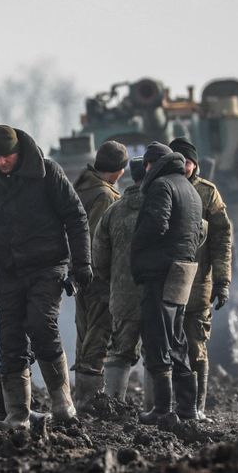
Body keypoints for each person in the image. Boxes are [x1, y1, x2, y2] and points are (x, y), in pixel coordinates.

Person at [0, 125, 92, 429]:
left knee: (42, 324)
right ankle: (18, 414)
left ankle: (62, 402)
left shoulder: (48, 174)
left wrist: (81, 265)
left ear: (20, 152)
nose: (2, 162)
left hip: (47, 265)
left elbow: (76, 216)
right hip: (6, 271)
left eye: (8, 156)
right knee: (11, 339)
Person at [131, 142, 203, 424]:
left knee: (157, 339)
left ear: (152, 164)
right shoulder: (190, 189)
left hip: (160, 272)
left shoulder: (162, 186)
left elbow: (156, 225)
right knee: (177, 339)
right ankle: (187, 409)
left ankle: (161, 409)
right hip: (182, 271)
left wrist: (136, 246)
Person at [168, 137, 233, 422]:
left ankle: (197, 407)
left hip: (198, 285)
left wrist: (223, 281)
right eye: (178, 161)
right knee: (167, 348)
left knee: (196, 347)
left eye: (188, 162)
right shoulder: (160, 189)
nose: (184, 167)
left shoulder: (209, 194)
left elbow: (222, 239)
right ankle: (170, 406)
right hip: (166, 282)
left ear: (195, 164)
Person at [71, 140, 128, 409]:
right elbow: (97, 238)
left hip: (79, 272)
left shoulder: (82, 188)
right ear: (119, 170)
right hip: (98, 275)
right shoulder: (105, 196)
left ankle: (81, 394)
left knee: (84, 331)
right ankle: (89, 396)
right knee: (99, 330)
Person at [92, 157, 146, 401]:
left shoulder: (113, 211)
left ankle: (114, 402)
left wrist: (113, 280)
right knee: (157, 352)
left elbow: (99, 256)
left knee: (120, 351)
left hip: (122, 295)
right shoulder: (161, 206)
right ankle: (155, 407)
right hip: (156, 294)